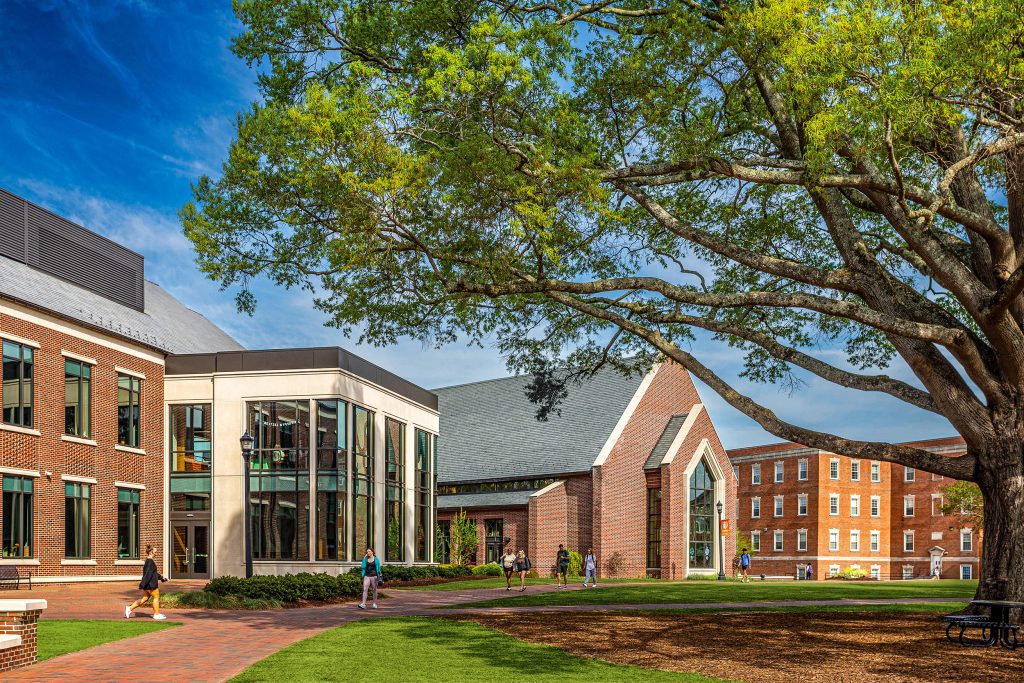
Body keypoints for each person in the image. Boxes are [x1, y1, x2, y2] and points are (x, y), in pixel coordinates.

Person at [125, 545, 167, 620]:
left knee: (144, 598)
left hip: (148, 584)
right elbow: (148, 574)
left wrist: (161, 578)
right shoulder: (149, 562)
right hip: (151, 585)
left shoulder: (149, 561)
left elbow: (153, 573)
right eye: (155, 552)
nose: (156, 553)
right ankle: (156, 614)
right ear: (151, 552)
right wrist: (142, 584)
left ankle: (129, 608)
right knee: (156, 597)